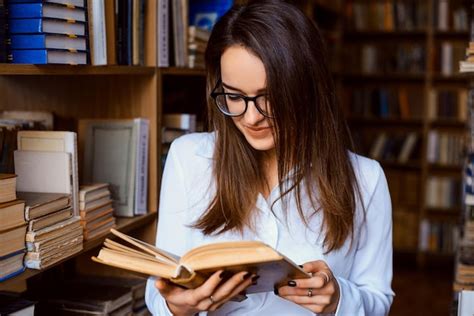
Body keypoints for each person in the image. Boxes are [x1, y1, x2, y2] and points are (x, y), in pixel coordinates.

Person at [145, 0, 394, 315]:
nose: (251, 118)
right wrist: (176, 307)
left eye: (270, 98)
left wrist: (338, 300)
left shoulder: (366, 179)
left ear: (307, 89)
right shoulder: (188, 158)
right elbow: (158, 295)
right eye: (234, 97)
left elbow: (378, 300)